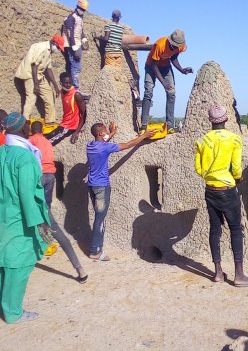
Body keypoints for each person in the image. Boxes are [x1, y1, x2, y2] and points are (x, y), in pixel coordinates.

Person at [195, 105, 248, 287]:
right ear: (226, 119)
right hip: (228, 189)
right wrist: (235, 179)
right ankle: (239, 275)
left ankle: (217, 273)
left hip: (211, 189)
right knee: (235, 229)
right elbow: (237, 167)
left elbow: (199, 169)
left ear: (210, 121)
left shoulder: (201, 141)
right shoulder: (233, 139)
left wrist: (211, 177)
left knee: (215, 229)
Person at [0, 130, 52, 323]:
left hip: (3, 216)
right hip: (19, 220)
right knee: (19, 264)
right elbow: (27, 194)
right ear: (24, 130)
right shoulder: (25, 157)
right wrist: (39, 222)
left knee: (2, 263)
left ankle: (3, 305)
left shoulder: (2, 152)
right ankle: (13, 312)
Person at [87, 123, 156, 261]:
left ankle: (97, 247)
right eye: (105, 130)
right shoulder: (105, 148)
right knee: (100, 220)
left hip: (92, 185)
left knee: (98, 217)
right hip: (102, 187)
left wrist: (111, 133)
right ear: (100, 133)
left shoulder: (90, 145)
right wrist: (144, 136)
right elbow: (128, 145)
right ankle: (95, 251)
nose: (107, 132)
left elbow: (103, 139)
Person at [29, 121, 88, 283]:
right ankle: (79, 268)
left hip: (39, 175)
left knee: (38, 213)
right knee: (46, 209)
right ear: (42, 130)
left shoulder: (31, 142)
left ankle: (44, 234)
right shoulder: (47, 141)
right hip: (51, 175)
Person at [140, 29, 193, 134]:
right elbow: (154, 65)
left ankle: (169, 125)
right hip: (151, 66)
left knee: (171, 93)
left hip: (165, 67)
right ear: (170, 42)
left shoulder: (180, 47)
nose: (176, 47)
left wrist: (182, 70)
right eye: (174, 45)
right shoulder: (160, 44)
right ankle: (143, 126)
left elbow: (173, 58)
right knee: (148, 91)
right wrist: (164, 83)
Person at [15, 35, 64, 123]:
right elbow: (34, 66)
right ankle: (25, 121)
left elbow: (48, 69)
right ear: (54, 43)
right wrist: (36, 84)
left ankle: (50, 121)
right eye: (58, 47)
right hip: (30, 75)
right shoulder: (41, 47)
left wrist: (56, 86)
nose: (59, 50)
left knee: (49, 93)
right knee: (32, 97)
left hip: (39, 75)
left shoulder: (49, 52)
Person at [45, 72, 86, 145]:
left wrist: (77, 131)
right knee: (47, 136)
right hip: (64, 123)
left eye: (70, 82)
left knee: (48, 142)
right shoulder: (62, 92)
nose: (68, 85)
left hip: (70, 126)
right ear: (61, 83)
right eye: (66, 83)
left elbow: (84, 113)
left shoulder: (76, 95)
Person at [61, 0, 89, 91]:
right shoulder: (71, 17)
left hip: (77, 43)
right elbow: (70, 32)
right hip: (71, 45)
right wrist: (74, 45)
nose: (83, 11)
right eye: (82, 9)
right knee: (75, 66)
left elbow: (80, 30)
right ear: (77, 7)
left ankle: (75, 87)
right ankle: (76, 88)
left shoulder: (80, 18)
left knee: (77, 66)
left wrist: (84, 39)